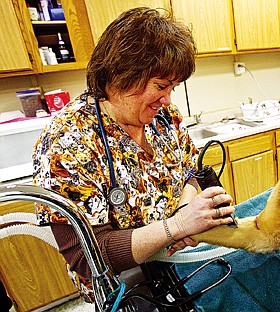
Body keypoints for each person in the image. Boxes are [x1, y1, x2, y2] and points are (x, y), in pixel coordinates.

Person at [32, 7, 234, 302]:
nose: (167, 99)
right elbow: (89, 257)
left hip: (179, 263)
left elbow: (190, 171)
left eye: (173, 88)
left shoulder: (165, 118)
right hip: (128, 289)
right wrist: (175, 227)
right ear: (120, 75)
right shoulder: (67, 143)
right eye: (161, 86)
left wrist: (185, 212)